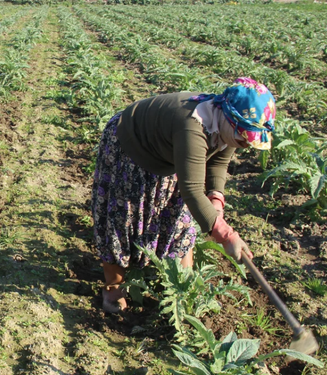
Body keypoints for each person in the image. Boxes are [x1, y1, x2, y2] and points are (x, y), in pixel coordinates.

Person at [92, 77, 276, 313]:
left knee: (180, 220)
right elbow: (191, 190)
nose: (246, 144)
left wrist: (217, 200)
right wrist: (225, 234)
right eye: (244, 136)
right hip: (131, 147)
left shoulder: (227, 125)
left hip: (168, 155)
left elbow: (219, 163)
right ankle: (113, 290)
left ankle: (184, 291)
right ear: (229, 118)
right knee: (122, 221)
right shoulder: (193, 126)